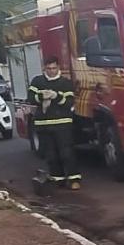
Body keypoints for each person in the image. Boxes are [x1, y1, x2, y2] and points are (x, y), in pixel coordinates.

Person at [28, 57, 81, 190]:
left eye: (54, 68)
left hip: (63, 124)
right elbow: (30, 98)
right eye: (48, 68)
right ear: (44, 68)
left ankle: (74, 179)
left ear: (58, 68)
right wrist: (41, 96)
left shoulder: (65, 83)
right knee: (51, 155)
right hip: (43, 124)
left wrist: (55, 96)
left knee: (66, 153)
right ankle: (58, 180)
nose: (51, 71)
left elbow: (69, 102)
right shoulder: (37, 81)